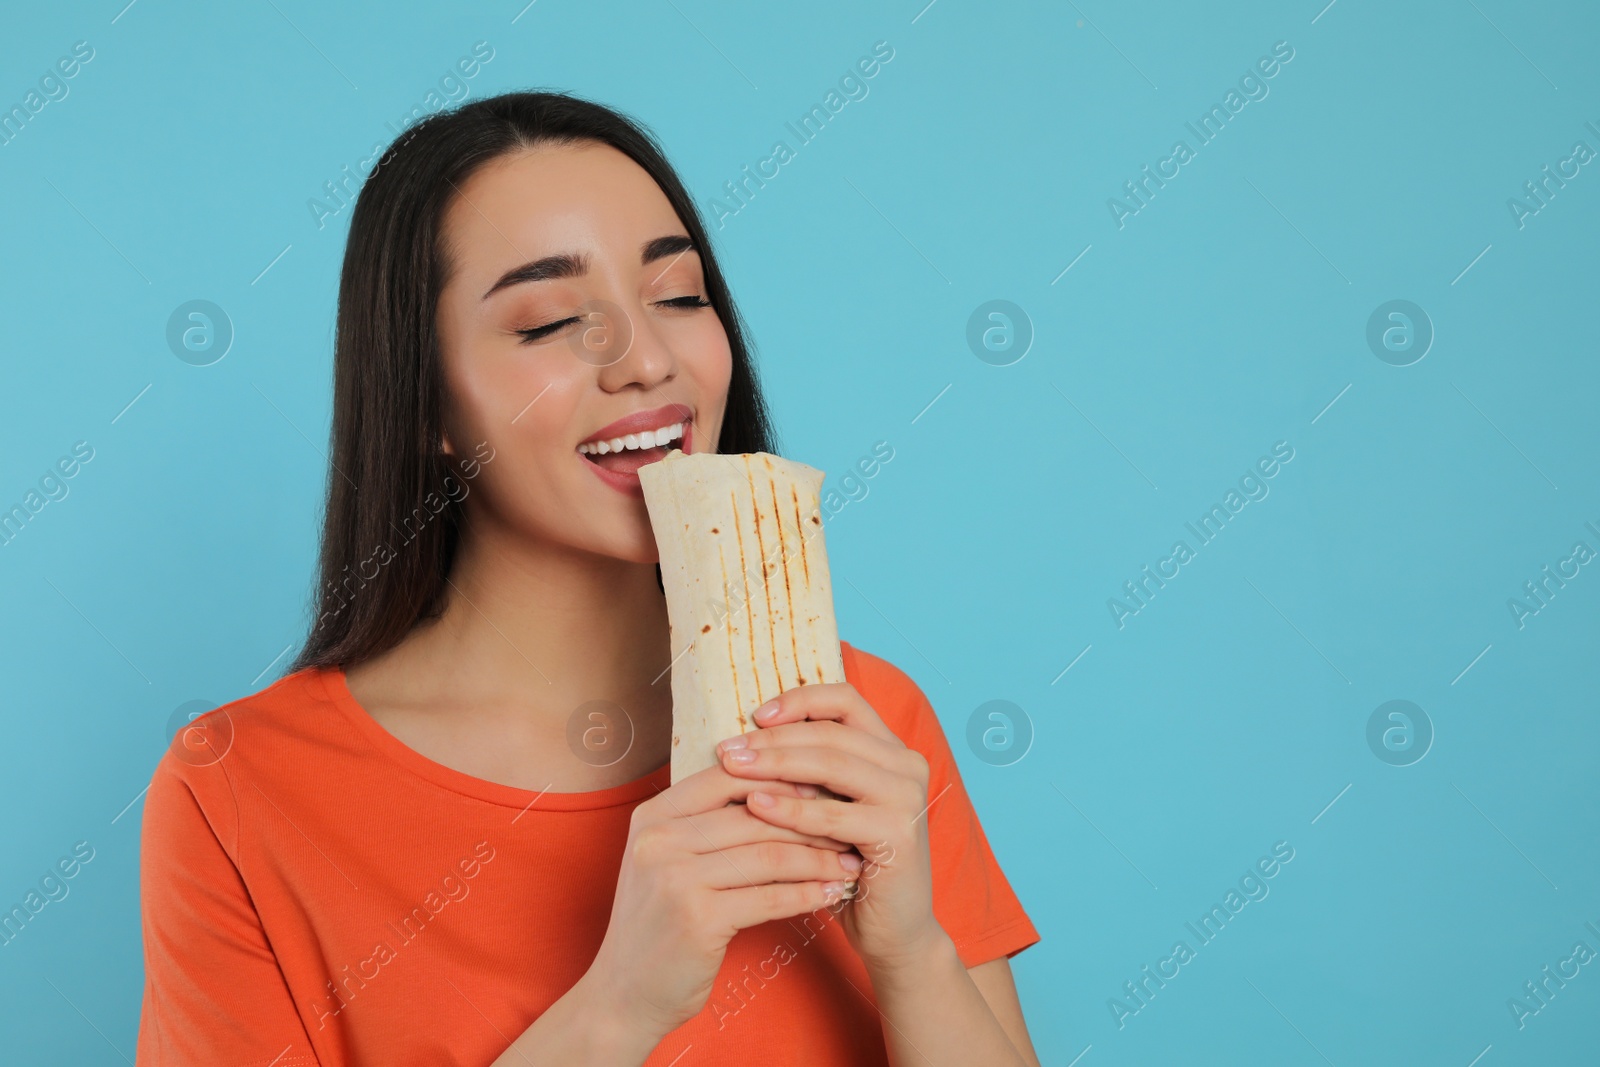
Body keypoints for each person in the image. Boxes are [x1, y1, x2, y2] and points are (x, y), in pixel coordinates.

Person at [135, 89, 1041, 1066]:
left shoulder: (859, 723)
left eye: (680, 295)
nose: (646, 358)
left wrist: (911, 952)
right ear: (423, 402)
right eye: (550, 320)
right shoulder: (240, 791)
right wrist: (617, 1006)